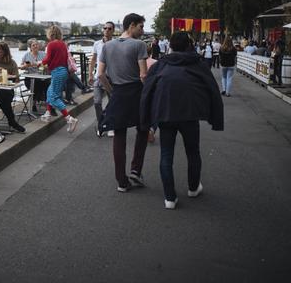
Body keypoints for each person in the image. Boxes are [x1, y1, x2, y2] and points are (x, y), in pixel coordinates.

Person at [141, 31, 223, 209]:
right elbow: (211, 87)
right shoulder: (197, 63)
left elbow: (147, 90)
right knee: (193, 152)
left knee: (166, 155)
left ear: (170, 45)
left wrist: (146, 119)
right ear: (189, 45)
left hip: (166, 113)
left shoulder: (161, 64)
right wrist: (214, 114)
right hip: (189, 114)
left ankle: (170, 198)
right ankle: (193, 188)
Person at [97, 13, 149, 192]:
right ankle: (135, 169)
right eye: (141, 27)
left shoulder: (107, 46)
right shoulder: (140, 45)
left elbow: (101, 74)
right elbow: (143, 75)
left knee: (119, 136)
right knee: (143, 129)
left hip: (118, 92)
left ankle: (121, 181)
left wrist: (112, 91)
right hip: (136, 91)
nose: (143, 31)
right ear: (132, 25)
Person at [39, 25, 79, 133]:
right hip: (63, 71)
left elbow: (47, 58)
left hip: (57, 72)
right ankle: (47, 114)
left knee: (54, 98)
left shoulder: (51, 44)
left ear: (50, 34)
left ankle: (70, 119)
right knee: (49, 91)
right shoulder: (63, 44)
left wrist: (40, 63)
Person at [0, 41, 26, 133]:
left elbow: (17, 79)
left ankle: (11, 122)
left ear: (5, 52)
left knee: (6, 99)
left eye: (0, 52)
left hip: (7, 89)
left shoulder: (11, 63)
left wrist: (7, 74)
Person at [88, 21, 115, 137]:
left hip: (111, 78)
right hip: (98, 77)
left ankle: (110, 126)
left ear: (113, 31)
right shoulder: (97, 44)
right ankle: (101, 124)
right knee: (97, 102)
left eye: (109, 28)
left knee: (112, 103)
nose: (107, 30)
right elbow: (93, 60)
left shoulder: (116, 44)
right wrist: (90, 74)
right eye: (105, 28)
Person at [20, 39, 48, 112]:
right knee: (36, 83)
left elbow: (48, 66)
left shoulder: (43, 54)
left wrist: (42, 66)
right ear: (30, 47)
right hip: (30, 78)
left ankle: (46, 104)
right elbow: (21, 67)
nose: (35, 46)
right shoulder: (26, 55)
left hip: (42, 77)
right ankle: (34, 103)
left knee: (46, 83)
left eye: (37, 44)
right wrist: (26, 66)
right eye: (33, 45)